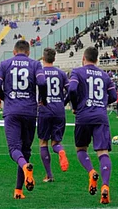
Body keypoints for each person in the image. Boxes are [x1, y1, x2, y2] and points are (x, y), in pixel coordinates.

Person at [0, 40, 47, 199]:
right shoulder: (35, 64)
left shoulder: (5, 64)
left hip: (12, 111)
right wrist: (42, 98)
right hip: (30, 111)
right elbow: (42, 82)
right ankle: (18, 190)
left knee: (14, 150)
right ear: (28, 52)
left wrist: (5, 98)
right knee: (26, 150)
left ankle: (24, 169)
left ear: (14, 52)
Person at [68, 47, 117, 204]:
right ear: (97, 60)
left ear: (83, 58)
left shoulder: (77, 72)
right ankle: (105, 186)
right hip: (100, 116)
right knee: (103, 153)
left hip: (83, 116)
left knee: (81, 149)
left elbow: (72, 89)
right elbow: (114, 96)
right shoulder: (105, 75)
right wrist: (101, 103)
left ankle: (91, 171)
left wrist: (75, 105)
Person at [38, 48, 69, 183]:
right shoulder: (61, 73)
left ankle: (49, 175)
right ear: (54, 59)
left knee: (43, 142)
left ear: (43, 59)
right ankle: (60, 151)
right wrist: (64, 102)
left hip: (45, 109)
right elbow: (71, 90)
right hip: (59, 110)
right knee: (56, 142)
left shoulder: (39, 73)